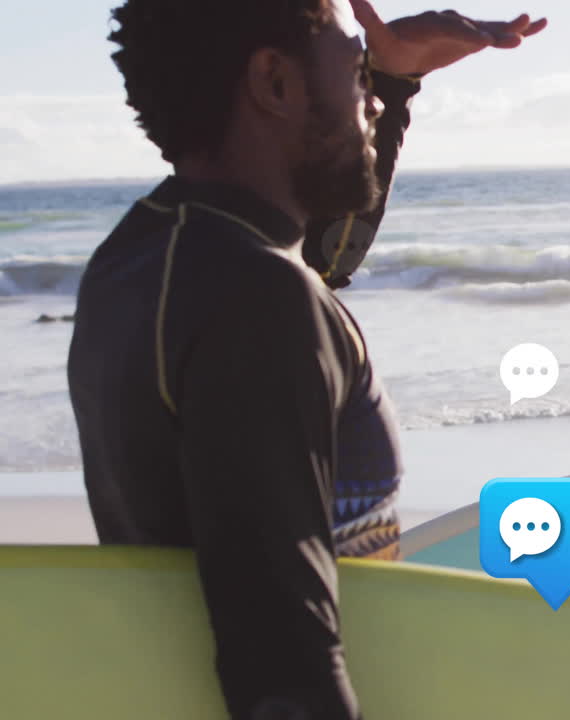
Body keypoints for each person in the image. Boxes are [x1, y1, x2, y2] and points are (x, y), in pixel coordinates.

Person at [66, 1, 545, 718]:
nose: (371, 95)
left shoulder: (142, 257)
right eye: (354, 68)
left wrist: (397, 83)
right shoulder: (258, 299)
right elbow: (285, 670)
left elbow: (315, 253)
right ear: (275, 82)